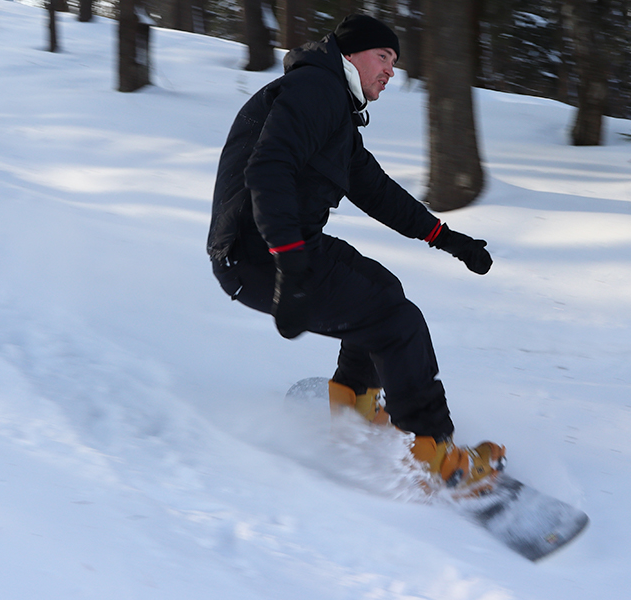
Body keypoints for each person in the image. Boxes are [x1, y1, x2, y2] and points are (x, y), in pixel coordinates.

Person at [207, 14, 504, 492]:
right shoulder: (315, 90)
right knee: (397, 322)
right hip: (261, 253)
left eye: (395, 63)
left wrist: (446, 238)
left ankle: (354, 402)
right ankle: (437, 454)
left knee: (382, 292)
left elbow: (377, 191)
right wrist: (291, 262)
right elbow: (268, 170)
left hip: (270, 248)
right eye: (383, 57)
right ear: (350, 54)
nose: (391, 70)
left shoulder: (333, 111)